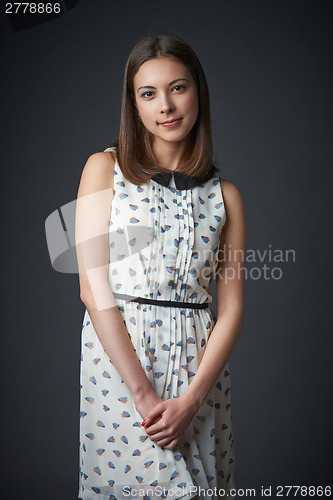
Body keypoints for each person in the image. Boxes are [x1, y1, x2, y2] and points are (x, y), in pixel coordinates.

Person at [75, 34, 246, 500]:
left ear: (198, 93)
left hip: (199, 370)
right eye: (148, 93)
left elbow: (229, 310)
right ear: (133, 105)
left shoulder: (225, 196)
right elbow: (93, 289)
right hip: (122, 364)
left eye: (178, 87)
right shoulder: (103, 169)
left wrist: (192, 400)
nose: (166, 106)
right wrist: (143, 394)